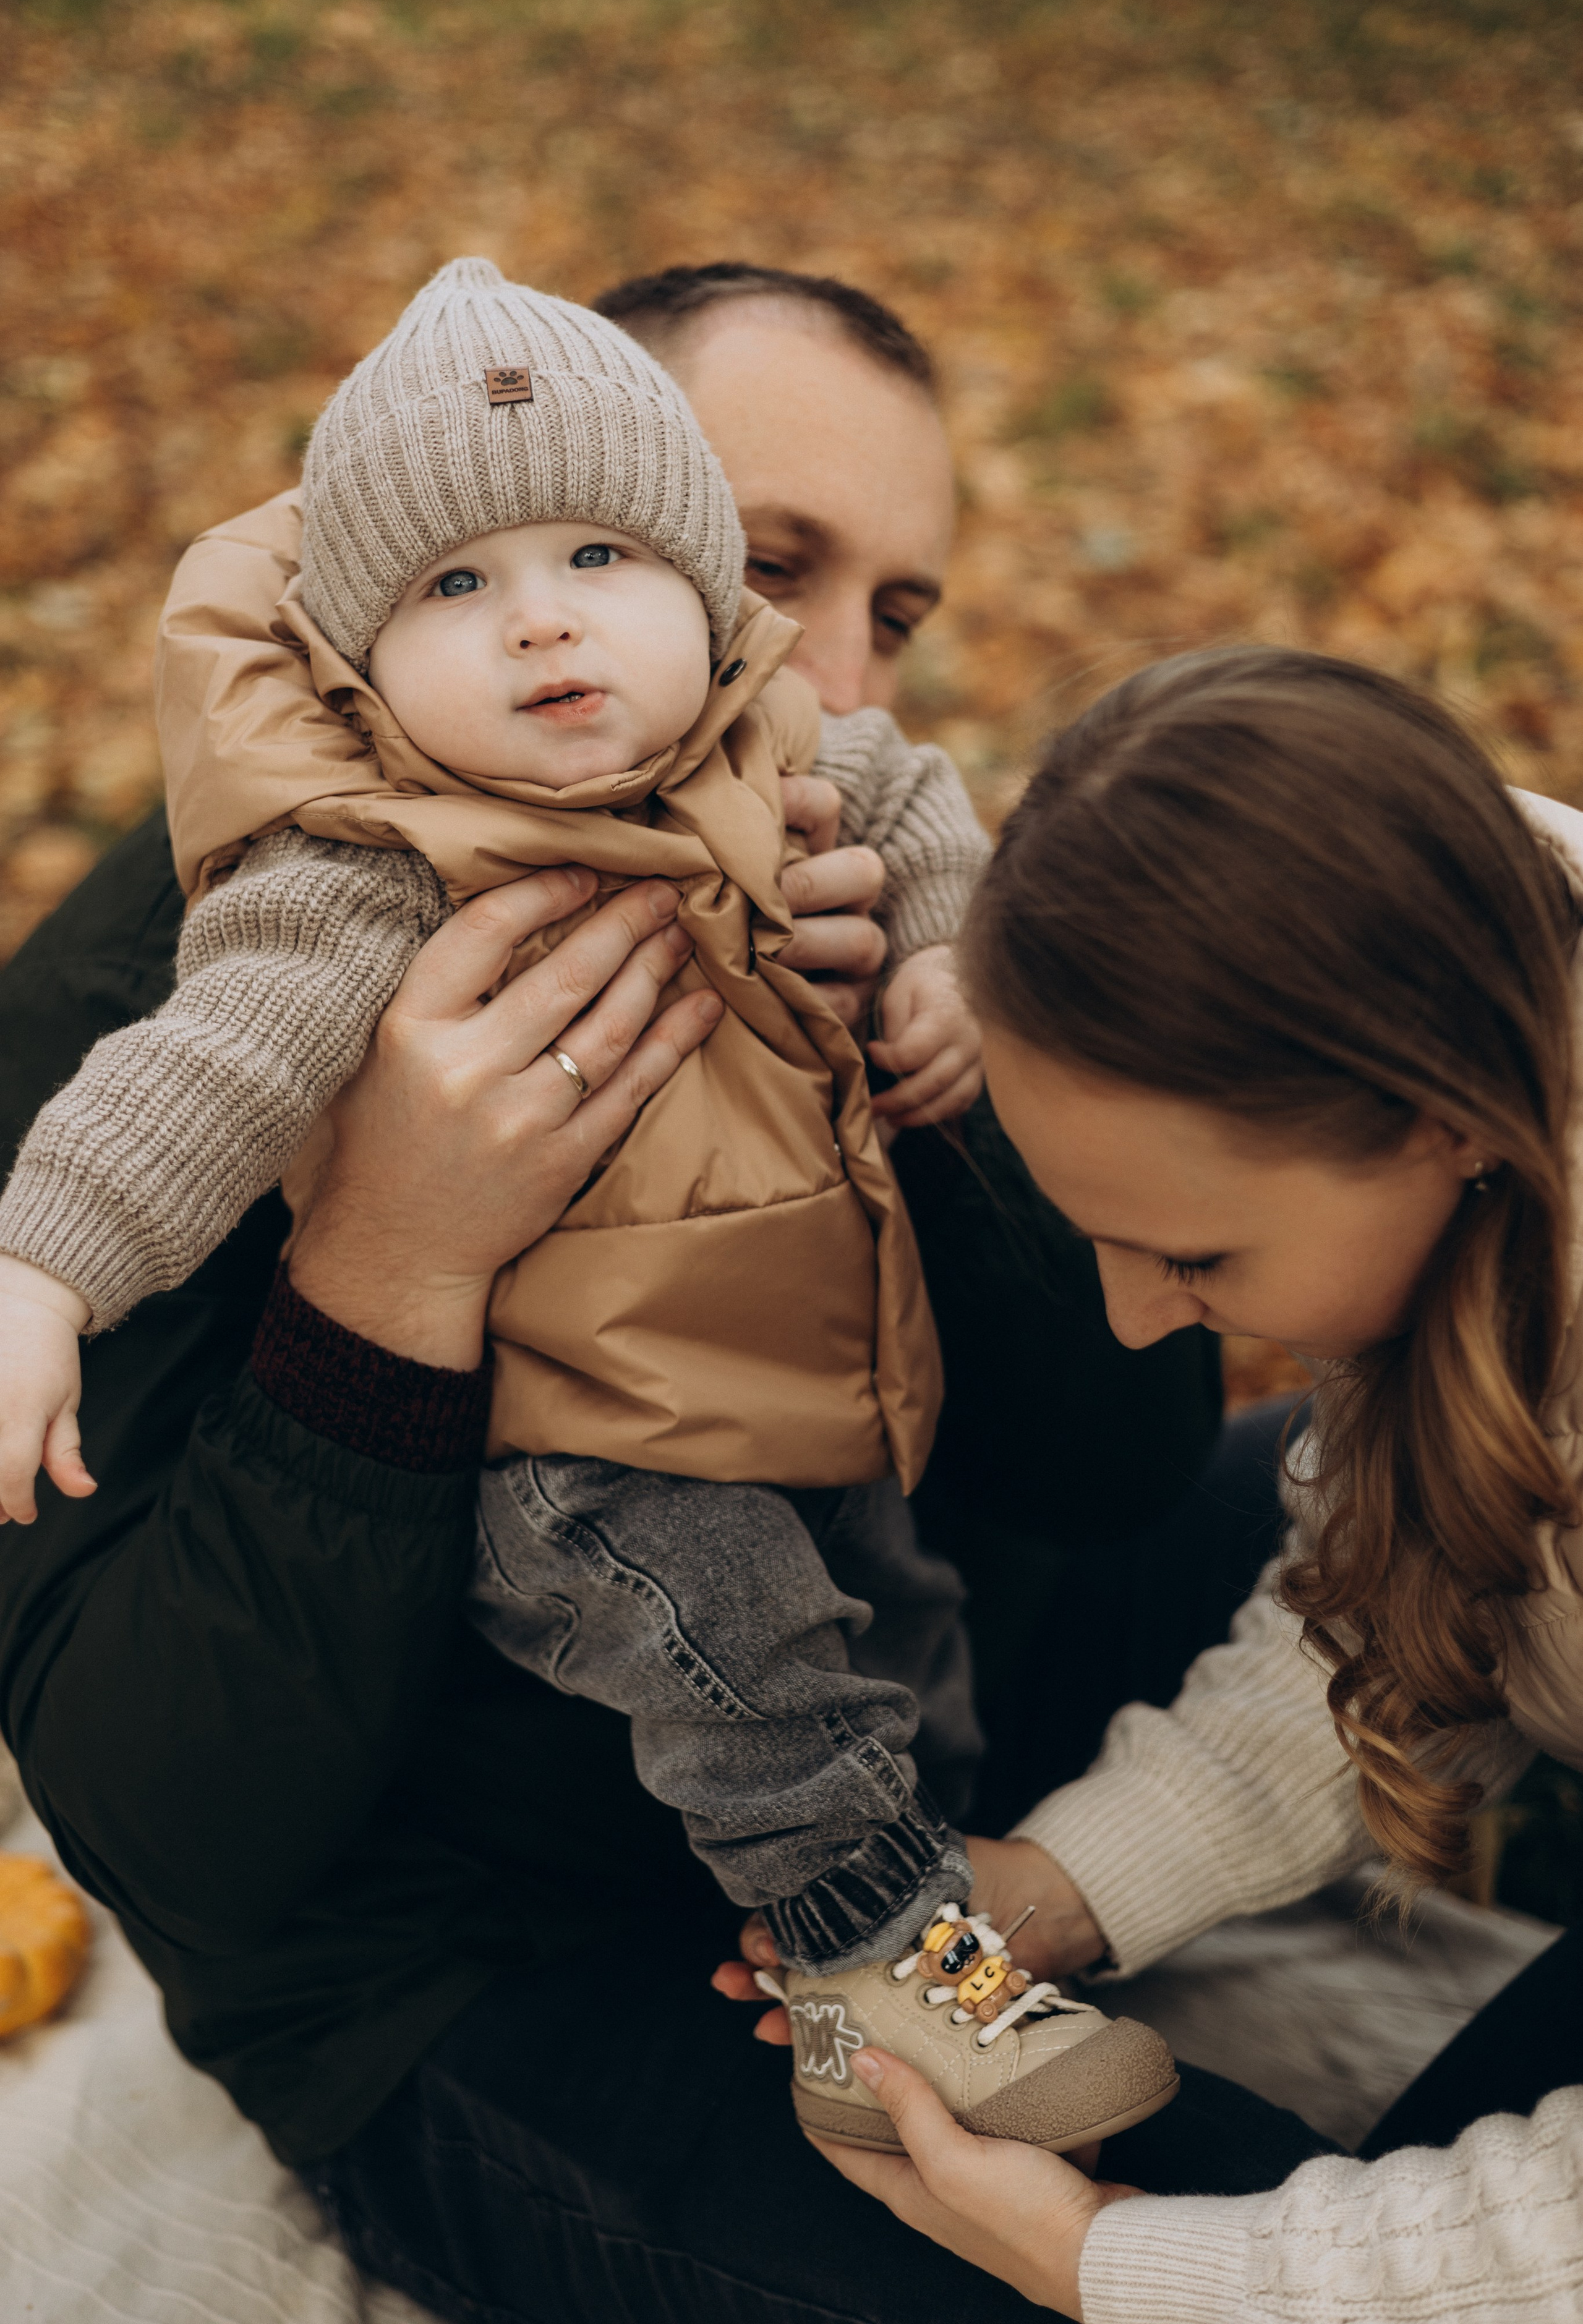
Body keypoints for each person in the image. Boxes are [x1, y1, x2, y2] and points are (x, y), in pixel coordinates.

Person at [0, 271, 1292, 2322]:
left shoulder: (807, 816)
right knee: (1216, 2241)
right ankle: (899, 1976)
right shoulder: (212, 989)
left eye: (898, 615)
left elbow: (1123, 1457)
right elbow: (176, 1831)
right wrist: (391, 1268)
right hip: (493, 1947)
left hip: (915, 1647)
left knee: (1405, 1489)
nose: (850, 676)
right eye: (790, 566)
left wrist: (933, 1090)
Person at [754, 644, 1583, 2320]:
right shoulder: (1469, 1110)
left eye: (1193, 1251)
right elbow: (1404, 1610)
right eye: (1099, 1237)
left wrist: (1109, 2262)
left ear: (1448, 1121)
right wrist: (1053, 1893)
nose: (1134, 1320)